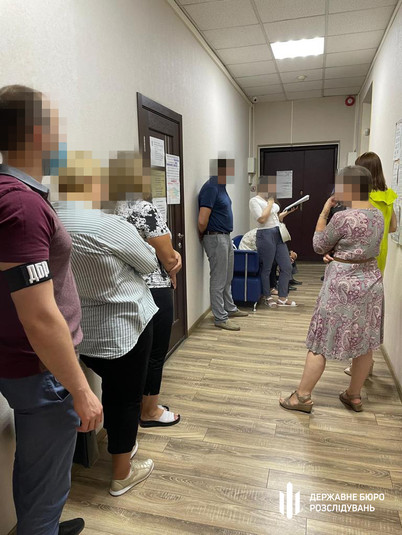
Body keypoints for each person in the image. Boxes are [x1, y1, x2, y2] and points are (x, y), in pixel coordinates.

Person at [0, 85, 103, 535]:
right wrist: (80, 389)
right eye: (56, 127)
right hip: (40, 367)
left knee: (35, 467)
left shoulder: (16, 195)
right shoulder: (21, 205)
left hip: (23, 361)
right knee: (47, 488)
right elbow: (40, 315)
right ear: (38, 133)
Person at [55, 153, 157, 497]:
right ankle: (122, 474)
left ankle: (121, 446)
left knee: (111, 391)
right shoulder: (105, 225)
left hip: (82, 333)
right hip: (125, 328)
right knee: (125, 399)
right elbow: (149, 262)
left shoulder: (50, 219)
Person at [279, 165, 384, 413]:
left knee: (320, 339)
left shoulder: (342, 217)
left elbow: (318, 245)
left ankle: (302, 397)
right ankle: (353, 396)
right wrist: (339, 253)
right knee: (364, 343)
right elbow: (361, 246)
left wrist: (325, 210)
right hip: (371, 282)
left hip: (342, 285)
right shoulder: (378, 215)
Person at [113, 153, 181, 427]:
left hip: (125, 289)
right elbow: (169, 258)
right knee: (155, 353)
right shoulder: (143, 209)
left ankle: (137, 407)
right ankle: (150, 411)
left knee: (136, 353)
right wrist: (175, 262)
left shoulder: (109, 210)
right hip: (154, 289)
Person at [342, 152, 397, 377]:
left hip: (359, 261)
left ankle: (360, 367)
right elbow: (393, 227)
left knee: (357, 317)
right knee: (369, 317)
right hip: (379, 260)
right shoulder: (388, 196)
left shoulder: (363, 199)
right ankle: (368, 362)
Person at [198, 158, 248, 331]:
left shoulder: (221, 187)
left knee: (227, 277)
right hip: (215, 238)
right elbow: (202, 220)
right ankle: (220, 318)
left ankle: (230, 308)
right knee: (218, 280)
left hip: (225, 237)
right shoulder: (211, 187)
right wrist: (205, 235)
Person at [249, 176, 298, 307]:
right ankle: (267, 296)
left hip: (278, 233)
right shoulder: (254, 201)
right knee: (267, 268)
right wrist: (270, 203)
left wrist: (286, 212)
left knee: (286, 266)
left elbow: (275, 218)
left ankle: (282, 298)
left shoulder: (269, 200)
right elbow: (262, 219)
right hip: (265, 234)